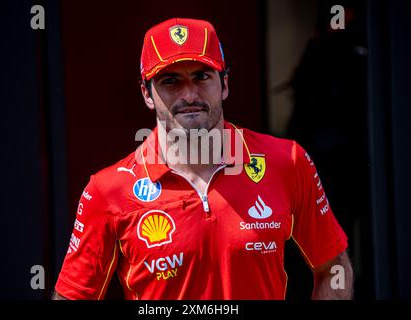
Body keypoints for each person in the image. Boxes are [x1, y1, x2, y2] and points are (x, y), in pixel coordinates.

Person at [53, 18, 353, 300]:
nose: (189, 95)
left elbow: (332, 268)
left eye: (201, 76)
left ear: (224, 84)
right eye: (170, 81)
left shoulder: (286, 161)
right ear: (146, 93)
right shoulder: (108, 192)